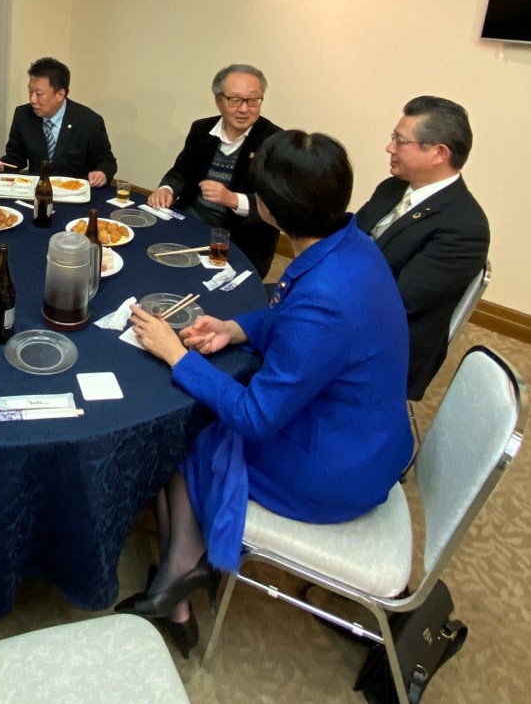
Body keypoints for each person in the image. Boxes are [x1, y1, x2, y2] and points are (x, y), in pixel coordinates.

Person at [123, 129, 413, 657]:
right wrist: (235, 329)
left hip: (335, 468)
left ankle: (177, 577)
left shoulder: (325, 298)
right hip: (369, 435)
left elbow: (257, 415)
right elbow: (293, 317)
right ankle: (180, 572)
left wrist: (177, 355)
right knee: (199, 410)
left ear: (271, 209)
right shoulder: (352, 246)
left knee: (185, 433)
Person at [354, 95, 491, 401]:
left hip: (385, 345)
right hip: (349, 308)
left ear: (439, 153)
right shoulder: (392, 188)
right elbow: (350, 239)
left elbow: (397, 304)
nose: (389, 148)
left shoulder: (464, 226)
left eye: (400, 141)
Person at [149, 64, 280, 276]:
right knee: (155, 259)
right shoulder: (202, 129)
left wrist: (232, 199)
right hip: (192, 219)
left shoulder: (275, 142)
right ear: (219, 101)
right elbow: (181, 170)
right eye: (235, 100)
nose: (244, 109)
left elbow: (276, 204)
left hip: (242, 237)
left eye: (253, 100)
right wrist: (167, 189)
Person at [0, 57, 116, 186]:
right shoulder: (23, 115)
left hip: (72, 191)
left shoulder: (88, 121)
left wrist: (102, 173)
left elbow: (107, 161)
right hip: (36, 190)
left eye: (39, 94)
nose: (32, 99)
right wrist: (1, 166)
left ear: (60, 94)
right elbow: (16, 157)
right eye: (30, 92)